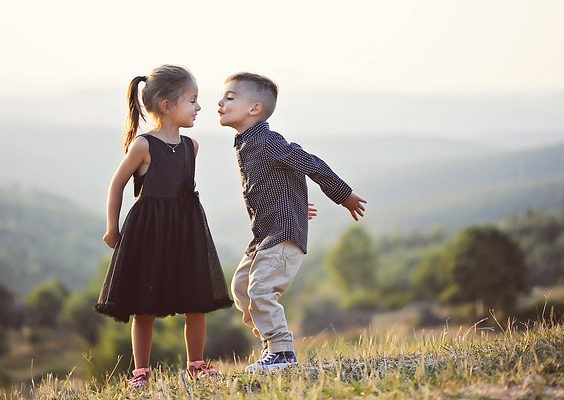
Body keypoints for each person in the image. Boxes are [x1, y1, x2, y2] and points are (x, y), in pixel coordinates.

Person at [217, 72, 367, 372]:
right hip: (264, 235)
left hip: (283, 235)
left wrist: (344, 195)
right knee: (243, 290)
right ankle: (272, 346)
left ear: (254, 108)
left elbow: (309, 163)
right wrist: (294, 204)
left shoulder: (268, 141)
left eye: (229, 98)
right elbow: (276, 182)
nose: (220, 103)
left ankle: (282, 351)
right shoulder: (246, 142)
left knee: (261, 291)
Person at [95, 65, 233, 387]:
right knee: (145, 307)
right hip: (149, 234)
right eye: (193, 100)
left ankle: (196, 365)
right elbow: (117, 185)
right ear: (167, 105)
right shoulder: (143, 146)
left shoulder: (191, 147)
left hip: (186, 233)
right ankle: (141, 372)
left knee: (195, 300)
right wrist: (111, 228)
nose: (199, 107)